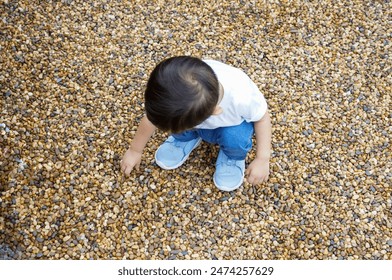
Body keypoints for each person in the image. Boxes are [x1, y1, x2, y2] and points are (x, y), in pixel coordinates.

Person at [121, 56, 271, 191]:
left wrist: (262, 159)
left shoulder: (242, 98)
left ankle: (231, 156)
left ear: (215, 112)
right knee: (174, 118)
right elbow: (151, 119)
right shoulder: (187, 83)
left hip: (231, 125)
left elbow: (262, 118)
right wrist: (135, 150)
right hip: (194, 115)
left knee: (235, 138)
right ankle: (185, 138)